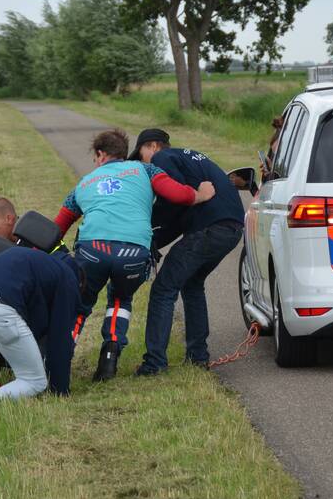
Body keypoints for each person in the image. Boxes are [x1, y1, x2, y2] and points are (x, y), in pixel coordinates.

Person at [53, 129, 214, 381]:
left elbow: (58, 227)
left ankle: (60, 359)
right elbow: (177, 194)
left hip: (92, 250)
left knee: (81, 305)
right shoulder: (146, 171)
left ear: (100, 154)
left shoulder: (84, 183)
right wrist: (201, 194)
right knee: (120, 299)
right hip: (133, 251)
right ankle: (110, 357)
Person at [128, 129, 245, 376]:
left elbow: (174, 200)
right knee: (191, 285)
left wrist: (147, 232)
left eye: (140, 158)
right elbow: (181, 214)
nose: (143, 168)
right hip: (231, 229)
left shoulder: (163, 159)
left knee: (163, 288)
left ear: (152, 147)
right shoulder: (187, 159)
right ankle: (197, 357)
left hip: (210, 229)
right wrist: (154, 241)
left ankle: (154, 363)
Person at [0, 246, 82, 411]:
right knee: (34, 381)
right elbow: (59, 339)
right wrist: (60, 391)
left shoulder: (35, 263)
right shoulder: (68, 277)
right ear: (80, 283)